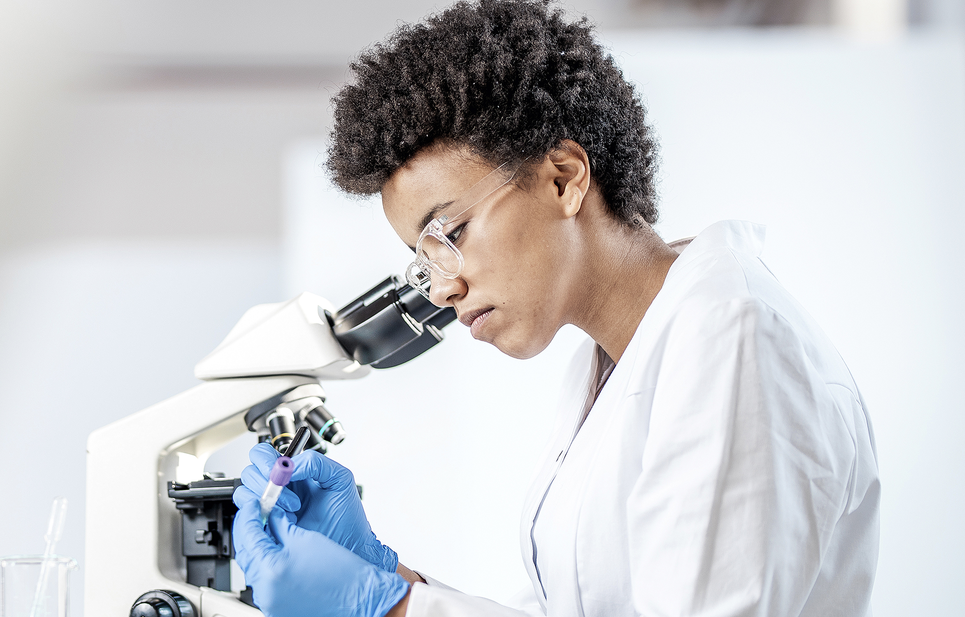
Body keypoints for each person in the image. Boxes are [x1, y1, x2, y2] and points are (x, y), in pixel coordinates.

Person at [229, 1, 880, 616]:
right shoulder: (605, 369)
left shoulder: (730, 335)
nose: (437, 289)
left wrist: (392, 611)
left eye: (447, 234)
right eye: (422, 260)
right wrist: (388, 576)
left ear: (565, 178)